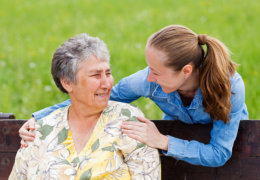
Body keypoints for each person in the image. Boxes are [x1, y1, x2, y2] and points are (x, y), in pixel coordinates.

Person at [19, 25, 248, 167]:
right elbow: (98, 99)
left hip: (228, 149)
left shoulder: (230, 88)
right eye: (149, 69)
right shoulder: (146, 80)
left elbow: (219, 153)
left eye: (156, 72)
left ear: (186, 71)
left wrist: (161, 140)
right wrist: (41, 118)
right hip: (177, 140)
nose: (149, 77)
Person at [10, 34, 161, 179]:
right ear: (67, 83)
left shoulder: (128, 119)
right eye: (96, 75)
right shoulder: (40, 131)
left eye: (108, 73)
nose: (106, 83)